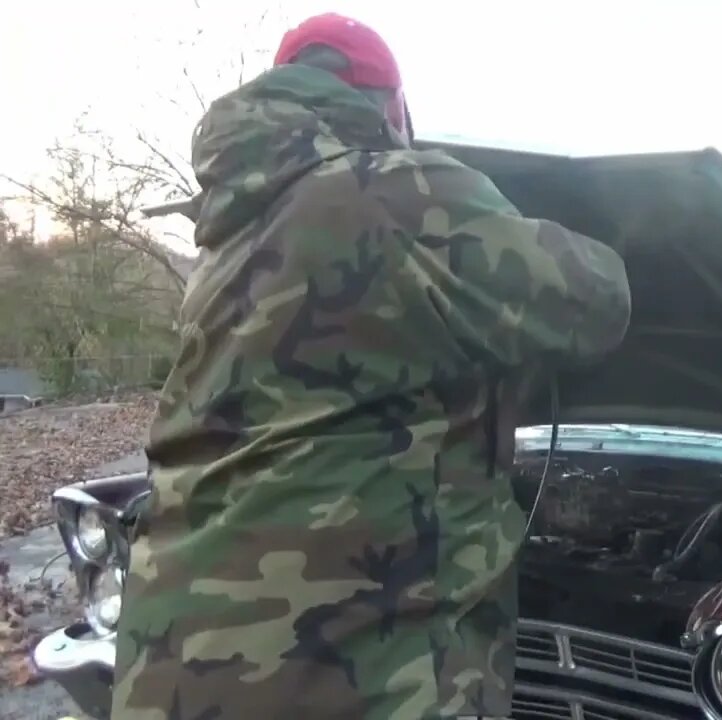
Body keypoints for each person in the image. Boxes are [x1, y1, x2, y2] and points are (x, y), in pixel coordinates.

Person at [111, 12, 631, 720]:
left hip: (169, 666)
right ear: (390, 106)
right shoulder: (393, 191)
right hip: (355, 678)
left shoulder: (221, 244)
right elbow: (599, 301)